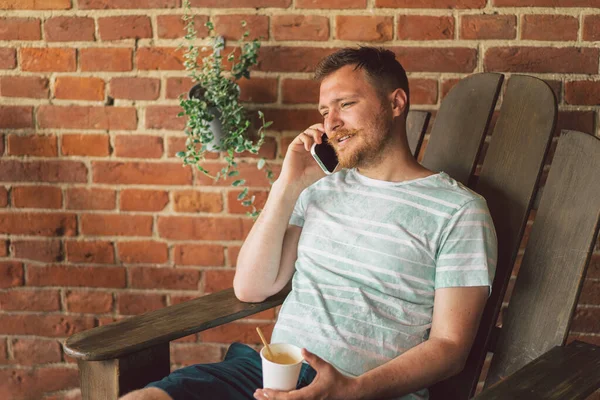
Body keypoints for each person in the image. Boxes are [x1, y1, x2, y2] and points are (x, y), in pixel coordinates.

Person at [121, 46, 497, 400]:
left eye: (346, 105)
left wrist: (352, 389)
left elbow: (450, 348)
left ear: (396, 103)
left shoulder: (459, 211)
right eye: (324, 112)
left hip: (366, 392)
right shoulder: (320, 189)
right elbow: (251, 288)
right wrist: (288, 186)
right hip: (270, 375)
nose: (331, 123)